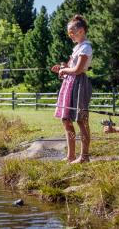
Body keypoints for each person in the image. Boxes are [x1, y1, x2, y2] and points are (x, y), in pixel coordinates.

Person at [51, 14, 93, 163]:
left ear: (81, 31)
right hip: (68, 84)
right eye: (69, 33)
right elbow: (70, 68)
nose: (70, 36)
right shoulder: (77, 48)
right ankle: (71, 155)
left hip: (79, 84)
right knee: (66, 120)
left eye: (72, 33)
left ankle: (84, 157)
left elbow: (78, 70)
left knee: (81, 120)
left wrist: (65, 70)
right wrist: (61, 69)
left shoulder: (86, 47)